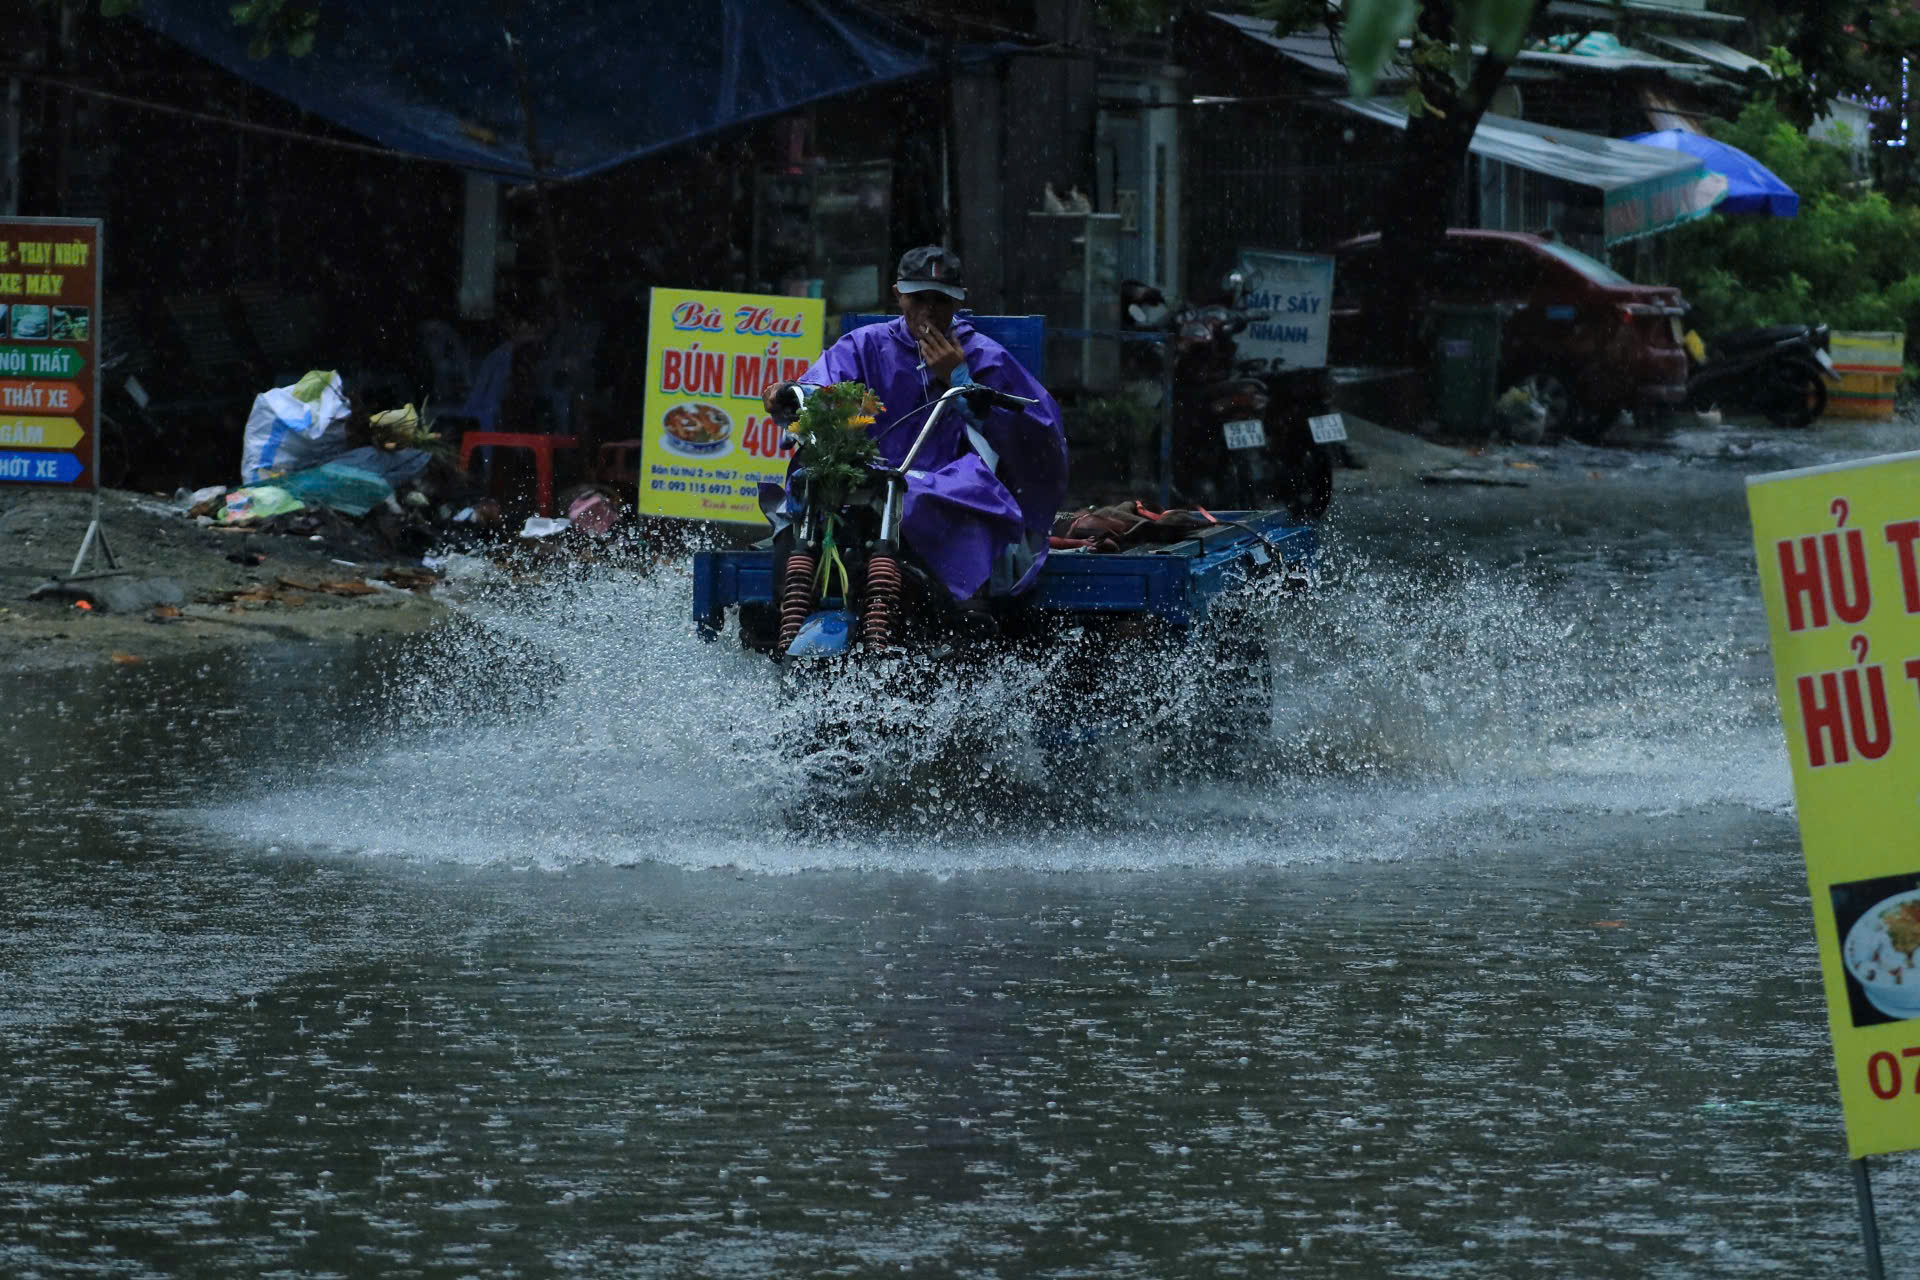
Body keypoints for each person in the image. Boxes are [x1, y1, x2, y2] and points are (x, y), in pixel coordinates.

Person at [763, 246, 1068, 617]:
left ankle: (969, 616)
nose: (928, 310)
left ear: (958, 303)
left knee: (969, 501)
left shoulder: (982, 353)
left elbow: (1038, 430)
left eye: (940, 300)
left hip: (950, 479)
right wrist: (789, 395)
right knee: (805, 490)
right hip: (868, 473)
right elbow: (822, 388)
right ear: (898, 295)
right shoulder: (866, 345)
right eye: (917, 298)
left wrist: (960, 379)